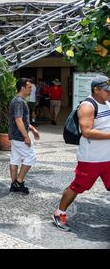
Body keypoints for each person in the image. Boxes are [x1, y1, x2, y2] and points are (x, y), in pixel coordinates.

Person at [52, 75, 110, 232]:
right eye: (106, 90)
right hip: (91, 159)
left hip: (108, 158)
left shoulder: (107, 102)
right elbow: (87, 132)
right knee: (77, 187)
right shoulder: (88, 106)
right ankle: (59, 214)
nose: (109, 93)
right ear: (96, 90)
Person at [8, 78, 41, 195]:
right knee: (31, 156)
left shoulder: (19, 100)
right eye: (29, 87)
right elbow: (18, 120)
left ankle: (14, 185)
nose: (31, 89)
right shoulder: (18, 101)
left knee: (15, 159)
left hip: (14, 136)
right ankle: (19, 181)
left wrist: (32, 128)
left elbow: (23, 120)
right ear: (22, 88)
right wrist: (26, 137)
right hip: (19, 136)